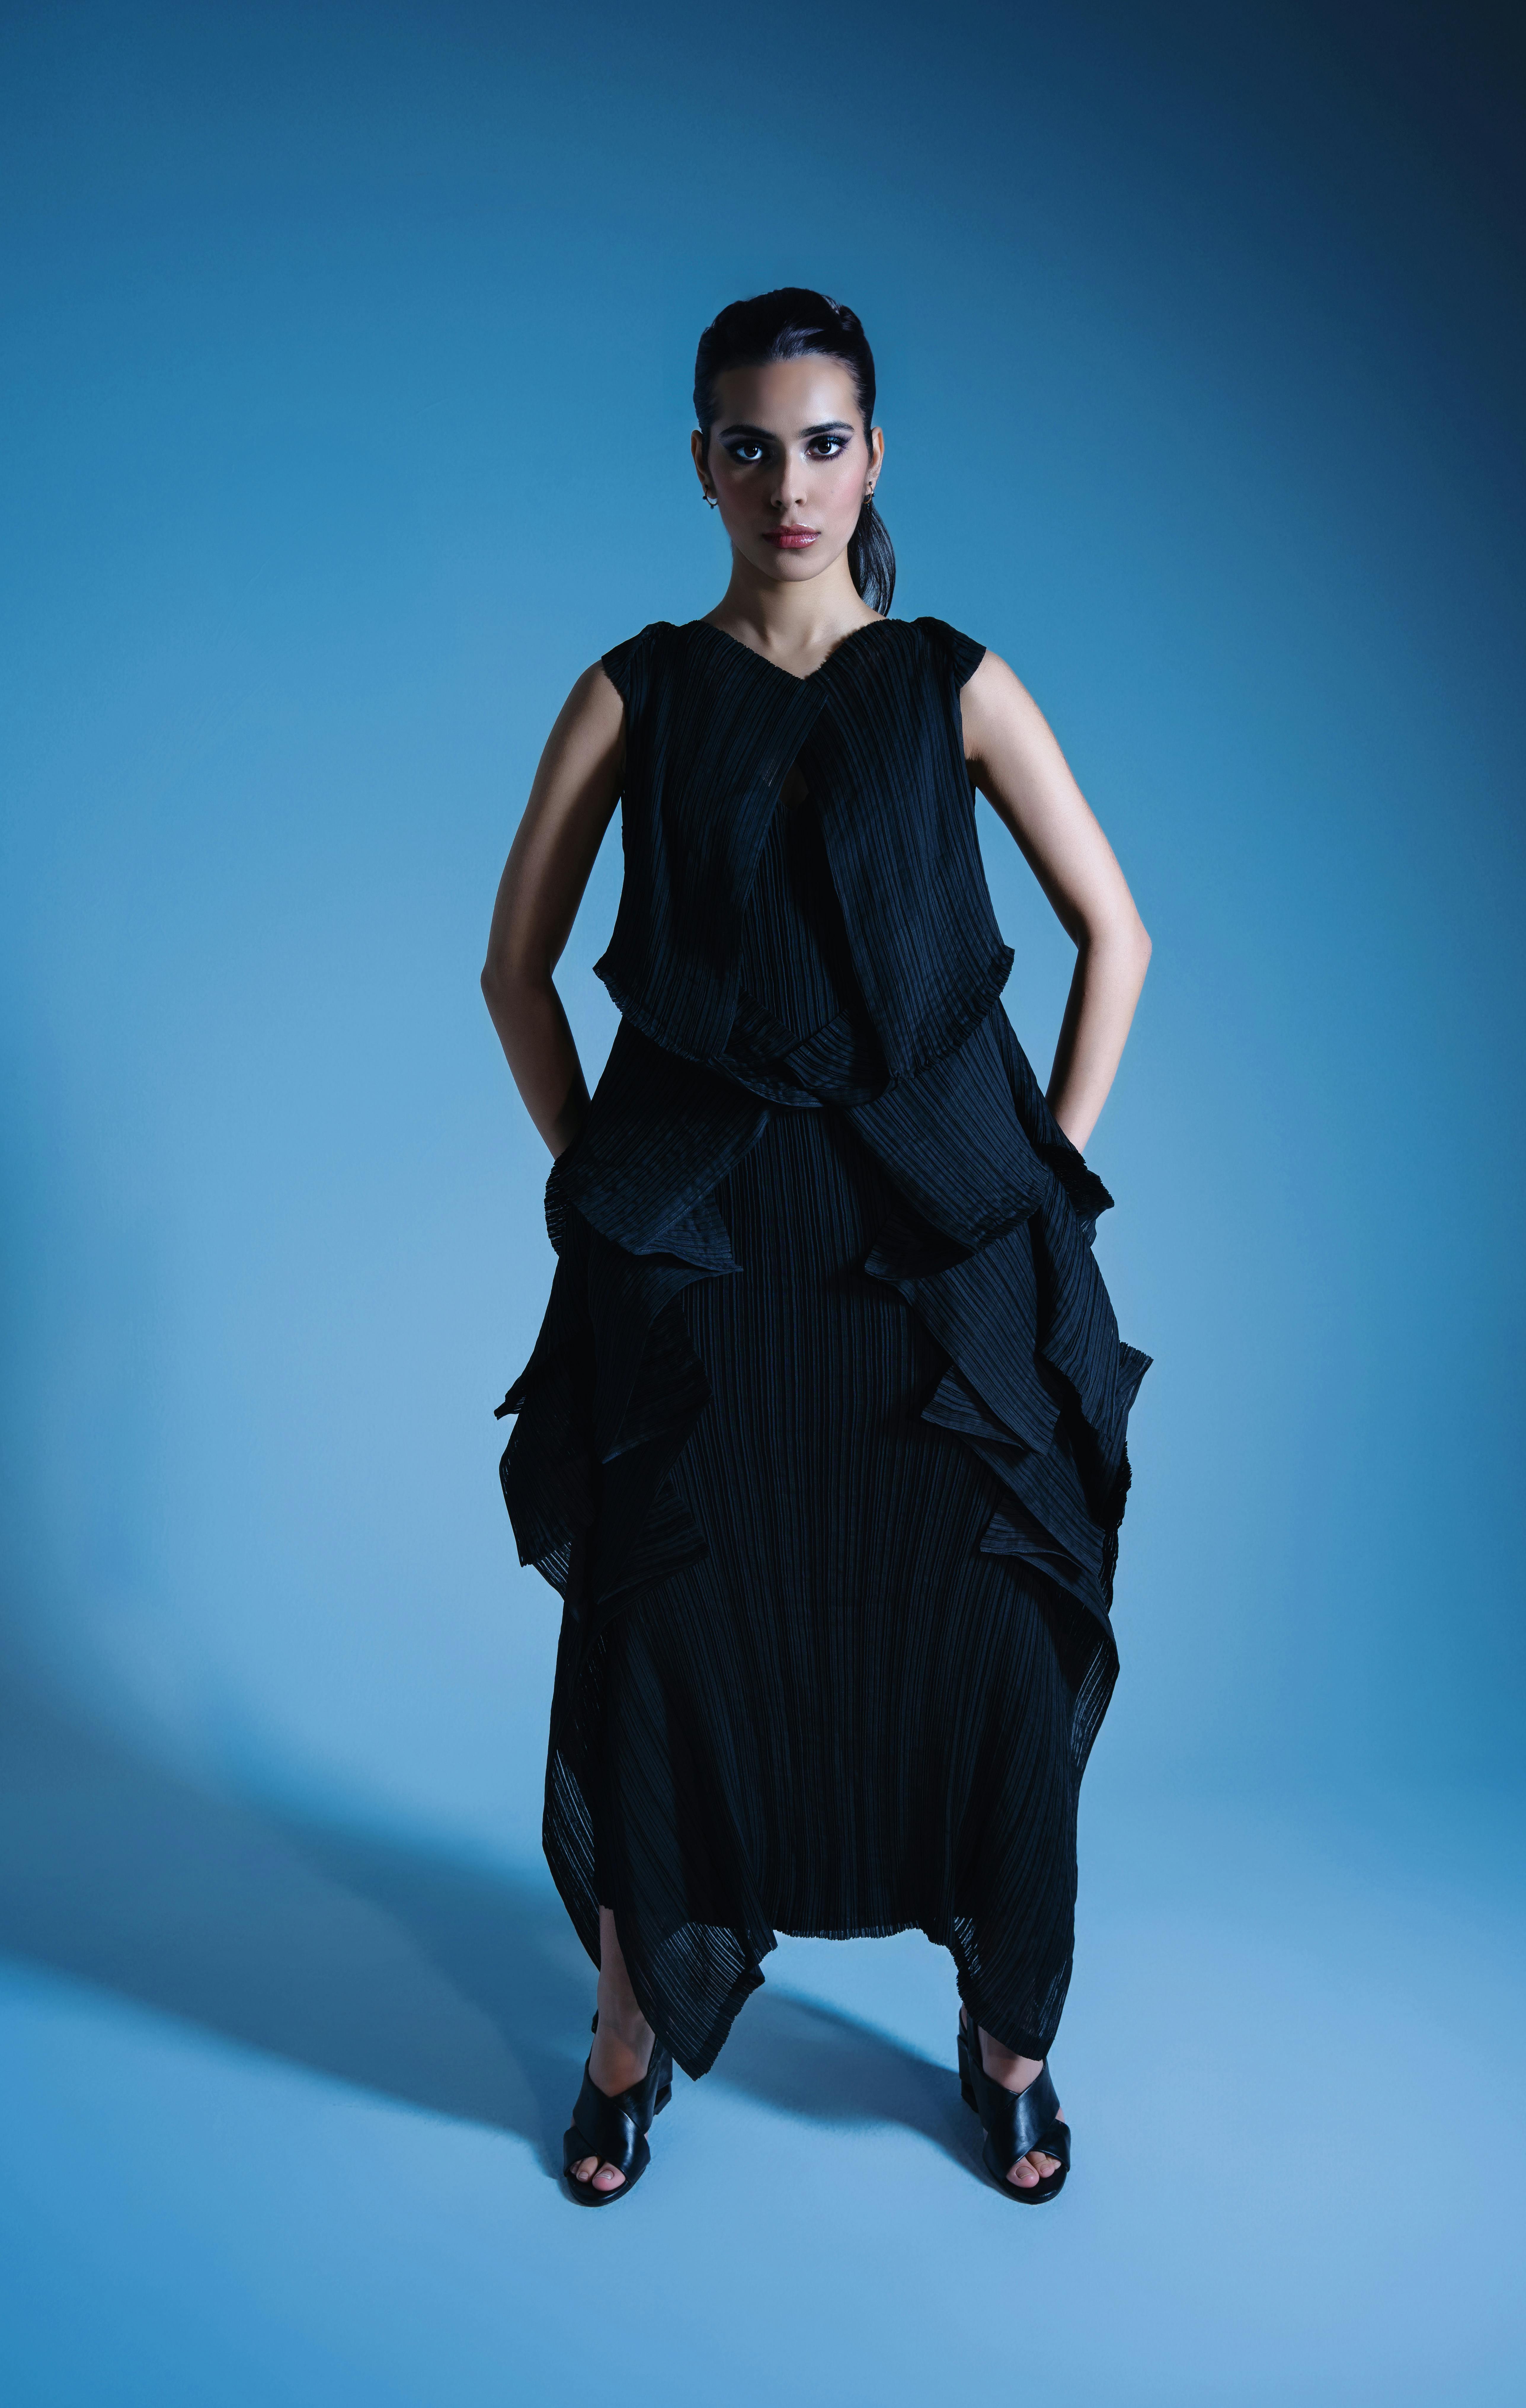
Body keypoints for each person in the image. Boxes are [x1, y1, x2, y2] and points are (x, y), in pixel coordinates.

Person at [482, 289, 1151, 2207]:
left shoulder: (950, 679)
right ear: (702, 459)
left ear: (877, 457)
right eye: (752, 445)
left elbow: (1121, 932)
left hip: (932, 1257)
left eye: (827, 441)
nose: (792, 482)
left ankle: (1007, 2035)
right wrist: (619, 1184)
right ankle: (631, 2030)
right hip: (707, 1268)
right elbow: (511, 967)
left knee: (997, 1643)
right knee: (672, 1630)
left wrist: (1028, 1176)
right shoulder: (635, 688)